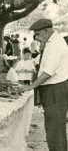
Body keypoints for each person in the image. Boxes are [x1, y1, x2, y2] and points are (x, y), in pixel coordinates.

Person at [19, 19, 68, 151]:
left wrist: (31, 86)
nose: (37, 38)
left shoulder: (56, 44)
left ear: (47, 31)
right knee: (53, 128)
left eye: (38, 35)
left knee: (55, 130)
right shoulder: (50, 42)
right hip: (52, 90)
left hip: (55, 90)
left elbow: (47, 73)